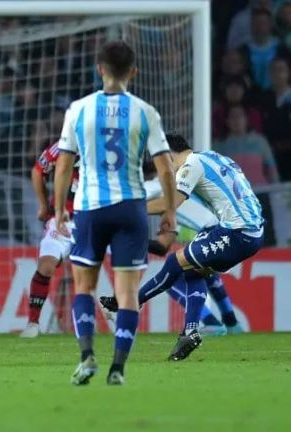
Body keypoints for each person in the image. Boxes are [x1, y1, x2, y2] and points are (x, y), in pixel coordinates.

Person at [53, 40, 177, 385]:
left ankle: (86, 354)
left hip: (90, 207)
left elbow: (63, 165)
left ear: (99, 69)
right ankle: (118, 369)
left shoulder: (78, 109)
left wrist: (61, 209)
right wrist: (170, 211)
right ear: (133, 72)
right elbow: (166, 169)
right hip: (130, 208)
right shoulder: (145, 111)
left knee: (83, 288)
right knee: (127, 295)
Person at [101, 135, 264, 360]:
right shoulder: (211, 156)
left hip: (238, 232)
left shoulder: (191, 165)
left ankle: (130, 303)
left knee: (174, 261)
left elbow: (171, 204)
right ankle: (191, 331)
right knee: (193, 269)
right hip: (249, 231)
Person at [19, 141, 79, 338]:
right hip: (62, 218)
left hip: (93, 218)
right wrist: (44, 205)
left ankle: (107, 315)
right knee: (46, 265)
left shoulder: (104, 145)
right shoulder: (63, 145)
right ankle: (33, 323)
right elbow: (38, 170)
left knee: (94, 272)